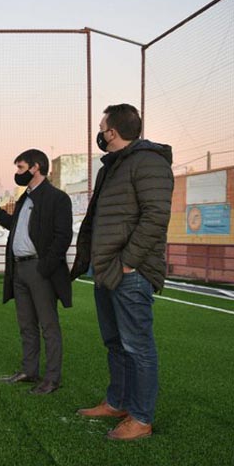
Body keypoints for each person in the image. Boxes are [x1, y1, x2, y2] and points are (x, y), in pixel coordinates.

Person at [72, 104, 173, 441]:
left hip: (130, 271)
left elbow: (156, 216)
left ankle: (141, 418)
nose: (100, 133)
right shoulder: (111, 167)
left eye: (102, 127)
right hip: (106, 269)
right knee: (115, 342)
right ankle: (117, 402)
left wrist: (128, 262)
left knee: (137, 346)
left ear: (111, 131)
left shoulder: (150, 162)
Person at [0, 148, 72, 395]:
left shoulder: (57, 198)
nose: (17, 173)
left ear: (35, 167)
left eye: (20, 168)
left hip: (39, 269)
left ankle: (52, 379)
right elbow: (12, 224)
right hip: (19, 269)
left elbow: (63, 237)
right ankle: (29, 370)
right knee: (26, 324)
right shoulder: (25, 198)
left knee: (48, 326)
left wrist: (44, 267)